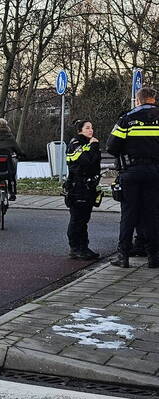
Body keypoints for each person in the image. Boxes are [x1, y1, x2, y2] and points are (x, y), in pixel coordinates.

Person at [108, 86, 159, 268]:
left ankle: (123, 256)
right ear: (153, 99)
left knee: (129, 215)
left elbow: (112, 146)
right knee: (152, 214)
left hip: (131, 172)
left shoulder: (127, 119)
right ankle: (154, 257)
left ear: (138, 100)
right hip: (154, 172)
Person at [64, 119, 102, 260]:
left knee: (84, 219)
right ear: (80, 130)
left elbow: (95, 162)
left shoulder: (89, 143)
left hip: (88, 186)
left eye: (91, 127)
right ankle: (75, 248)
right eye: (87, 128)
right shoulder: (76, 144)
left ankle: (84, 247)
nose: (91, 130)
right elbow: (86, 161)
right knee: (77, 219)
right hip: (77, 186)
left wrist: (93, 148)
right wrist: (94, 147)